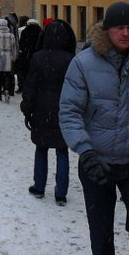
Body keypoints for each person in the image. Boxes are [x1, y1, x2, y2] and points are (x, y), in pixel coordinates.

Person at [59, 1, 129, 255]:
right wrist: (85, 152)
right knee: (101, 234)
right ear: (106, 30)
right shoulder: (83, 64)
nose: (126, 34)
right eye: (120, 28)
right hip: (96, 163)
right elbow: (69, 112)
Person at [22, 18, 76, 206]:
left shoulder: (38, 57)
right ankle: (61, 192)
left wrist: (27, 109)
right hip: (64, 109)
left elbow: (30, 86)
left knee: (41, 148)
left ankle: (39, 186)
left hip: (41, 108)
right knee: (62, 151)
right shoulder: (71, 59)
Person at [0, 18, 18, 103]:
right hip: (8, 55)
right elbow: (14, 47)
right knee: (7, 75)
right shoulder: (11, 35)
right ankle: (7, 89)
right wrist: (14, 57)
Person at [16, 18, 43, 93]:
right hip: (36, 54)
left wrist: (23, 51)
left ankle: (23, 86)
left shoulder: (25, 31)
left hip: (26, 54)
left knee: (24, 71)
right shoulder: (40, 31)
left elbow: (21, 43)